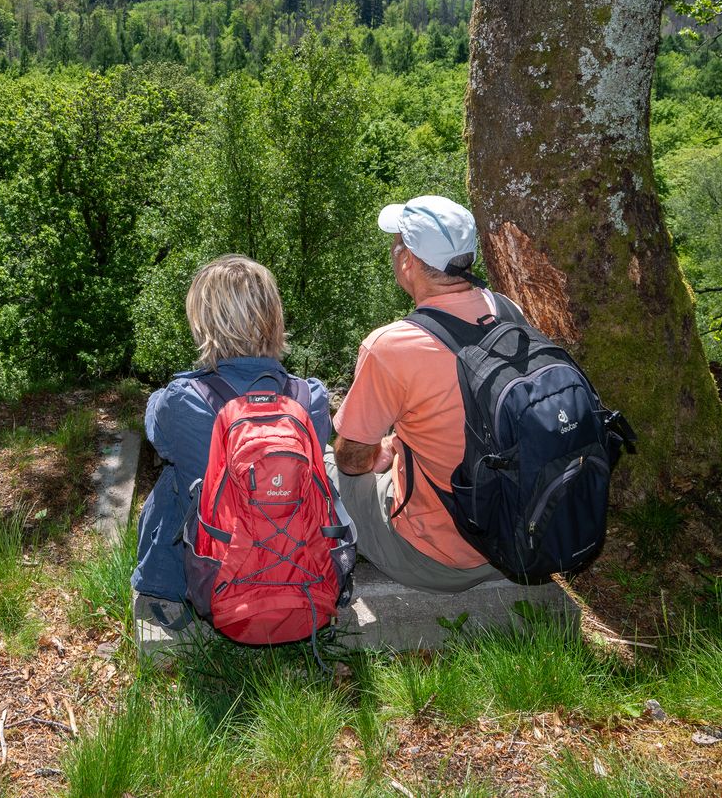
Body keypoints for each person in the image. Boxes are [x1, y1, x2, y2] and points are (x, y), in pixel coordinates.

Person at [129, 255, 338, 631]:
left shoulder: (183, 400)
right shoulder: (312, 399)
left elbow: (153, 427)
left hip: (209, 576)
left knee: (176, 481)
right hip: (299, 568)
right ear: (274, 318)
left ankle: (161, 584)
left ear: (204, 323)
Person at [331, 194, 513, 592]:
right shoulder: (508, 312)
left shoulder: (392, 346)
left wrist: (380, 453)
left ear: (407, 261)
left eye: (397, 245)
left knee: (328, 464)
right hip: (515, 540)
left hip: (438, 559)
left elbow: (351, 458)